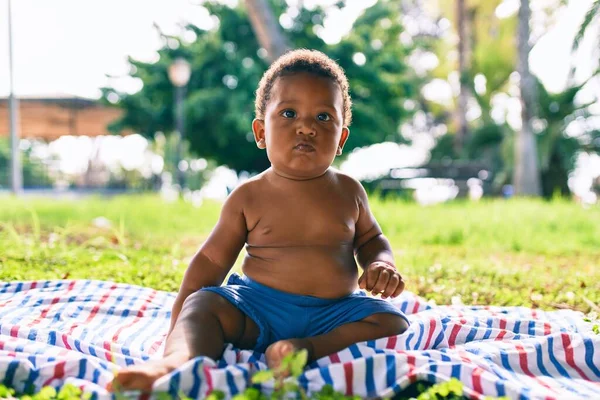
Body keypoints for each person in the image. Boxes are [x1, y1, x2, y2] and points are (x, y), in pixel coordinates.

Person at [111, 49, 409, 391]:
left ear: (341, 137)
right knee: (204, 306)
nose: (307, 127)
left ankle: (305, 350)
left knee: (391, 320)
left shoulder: (350, 191)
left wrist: (381, 263)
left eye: (324, 117)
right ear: (261, 131)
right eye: (289, 113)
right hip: (258, 310)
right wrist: (184, 317)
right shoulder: (248, 196)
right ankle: (174, 363)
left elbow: (372, 240)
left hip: (333, 314)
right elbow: (210, 260)